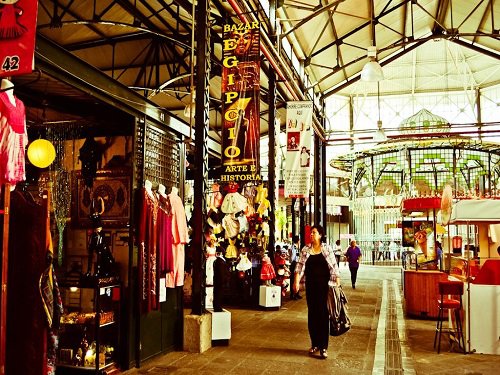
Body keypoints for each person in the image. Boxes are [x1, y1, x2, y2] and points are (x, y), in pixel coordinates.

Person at [293, 225, 340, 359]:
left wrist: (337, 281)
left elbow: (334, 267)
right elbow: (299, 267)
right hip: (311, 288)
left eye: (314, 233)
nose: (311, 235)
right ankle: (315, 344)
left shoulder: (327, 249)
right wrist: (296, 282)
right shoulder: (305, 249)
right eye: (311, 233)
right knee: (312, 315)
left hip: (324, 287)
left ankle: (324, 346)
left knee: (323, 315)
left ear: (320, 235)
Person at [289, 235, 302, 300]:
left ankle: (296, 293)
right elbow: (293, 257)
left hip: (296, 263)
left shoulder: (296, 247)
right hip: (294, 263)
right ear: (298, 241)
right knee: (293, 279)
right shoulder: (294, 247)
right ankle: (293, 294)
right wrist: (293, 262)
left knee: (297, 278)